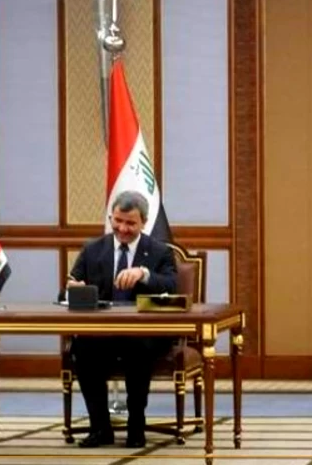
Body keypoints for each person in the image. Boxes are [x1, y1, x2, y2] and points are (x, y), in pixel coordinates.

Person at [66, 190, 178, 448]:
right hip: (102, 333)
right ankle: (100, 428)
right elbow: (67, 289)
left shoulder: (159, 251)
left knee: (136, 346)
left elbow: (172, 286)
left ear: (144, 222)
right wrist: (74, 288)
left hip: (145, 334)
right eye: (118, 221)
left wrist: (144, 274)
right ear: (111, 217)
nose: (123, 228)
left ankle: (136, 426)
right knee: (82, 348)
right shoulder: (93, 249)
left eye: (130, 223)